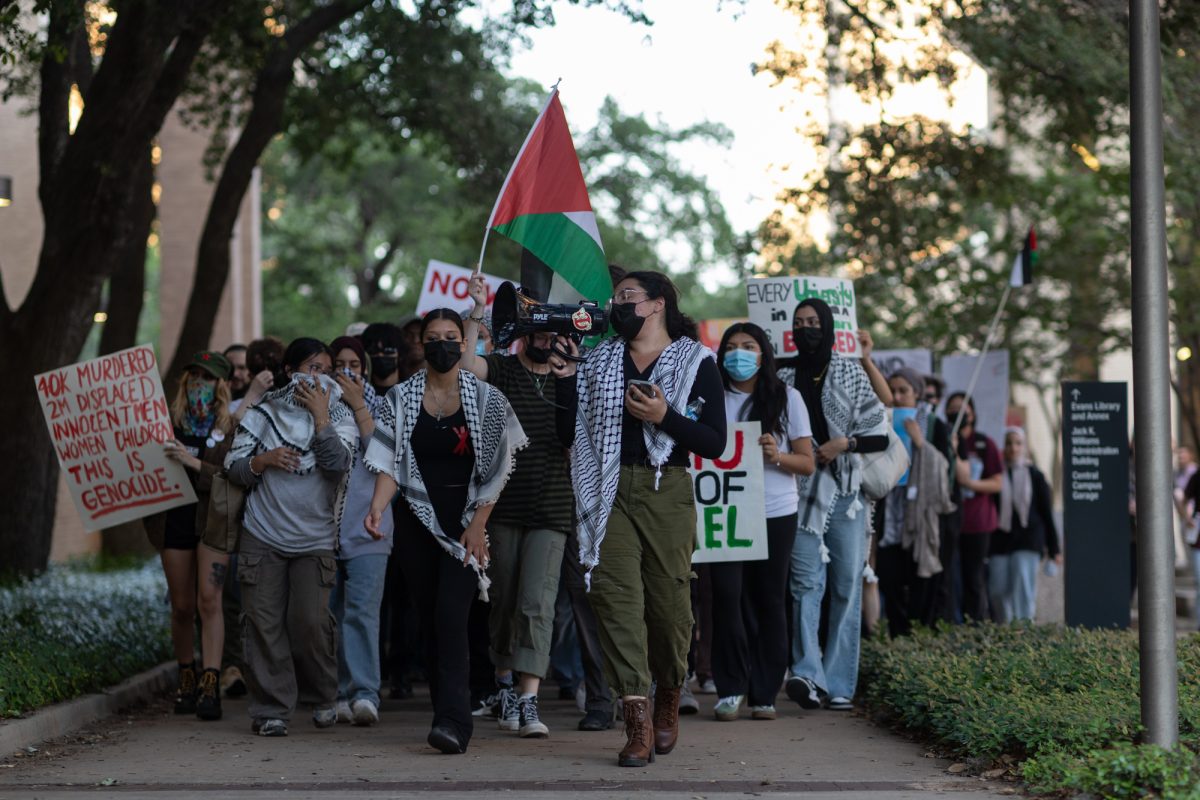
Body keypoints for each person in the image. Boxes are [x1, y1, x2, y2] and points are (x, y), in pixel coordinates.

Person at [552, 270, 727, 768]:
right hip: (603, 490)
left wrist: (664, 418)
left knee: (670, 608)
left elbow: (714, 442)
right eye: (617, 298)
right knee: (614, 599)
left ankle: (669, 692)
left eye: (628, 297)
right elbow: (569, 433)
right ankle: (637, 721)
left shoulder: (698, 362)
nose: (618, 304)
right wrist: (566, 382)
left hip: (665, 489)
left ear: (657, 305)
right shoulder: (598, 358)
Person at [364, 309, 527, 756]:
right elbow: (390, 462)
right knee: (431, 618)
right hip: (417, 521)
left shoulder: (487, 398)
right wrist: (377, 508)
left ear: (463, 342)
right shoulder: (400, 398)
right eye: (432, 337)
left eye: (451, 336)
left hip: (466, 522)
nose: (442, 344)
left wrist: (477, 526)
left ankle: (454, 723)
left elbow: (499, 469)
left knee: (451, 617)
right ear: (422, 343)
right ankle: (444, 713)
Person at [225, 338, 358, 737]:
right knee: (263, 624)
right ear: (290, 372)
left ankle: (323, 696)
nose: (319, 377)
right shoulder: (263, 414)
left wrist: (321, 418)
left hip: (315, 540)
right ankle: (272, 709)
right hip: (262, 535)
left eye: (326, 369)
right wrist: (262, 461)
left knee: (309, 622)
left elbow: (337, 465)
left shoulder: (341, 415)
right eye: (311, 368)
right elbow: (234, 468)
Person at [459, 275, 571, 738]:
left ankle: (528, 698)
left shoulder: (572, 378)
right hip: (501, 507)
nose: (546, 340)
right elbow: (467, 367)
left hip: (553, 509)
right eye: (538, 331)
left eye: (552, 333)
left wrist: (571, 382)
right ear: (525, 332)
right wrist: (475, 313)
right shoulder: (503, 370)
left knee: (536, 603)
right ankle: (504, 683)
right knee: (502, 602)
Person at [778, 298, 888, 713]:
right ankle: (808, 675)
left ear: (827, 325)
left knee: (845, 584)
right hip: (800, 493)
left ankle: (840, 682)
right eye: (799, 323)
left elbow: (880, 433)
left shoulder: (848, 370)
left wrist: (845, 442)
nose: (806, 329)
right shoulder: (783, 375)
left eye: (813, 322)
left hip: (847, 496)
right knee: (805, 585)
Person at [710, 322, 814, 722]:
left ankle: (764, 692)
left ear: (763, 354)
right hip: (726, 511)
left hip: (775, 511)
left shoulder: (788, 398)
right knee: (727, 597)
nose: (739, 353)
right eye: (732, 346)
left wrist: (777, 456)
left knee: (769, 599)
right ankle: (731, 688)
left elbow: (806, 463)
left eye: (748, 346)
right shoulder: (711, 398)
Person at [153, 351, 235, 719]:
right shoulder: (166, 423)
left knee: (209, 600)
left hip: (214, 521)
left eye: (208, 376)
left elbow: (232, 475)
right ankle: (187, 674)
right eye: (195, 375)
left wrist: (192, 463)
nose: (200, 382)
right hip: (174, 520)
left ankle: (210, 682)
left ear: (222, 384)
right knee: (182, 605)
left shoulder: (231, 426)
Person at [327, 336, 393, 727]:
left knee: (362, 614)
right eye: (339, 364)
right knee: (327, 617)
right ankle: (335, 692)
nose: (346, 371)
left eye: (354, 364)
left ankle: (365, 694)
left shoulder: (383, 406)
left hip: (371, 530)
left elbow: (384, 455)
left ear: (364, 370)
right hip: (322, 530)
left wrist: (359, 406)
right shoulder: (318, 407)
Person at [873, 369, 954, 636]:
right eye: (892, 390)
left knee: (922, 582)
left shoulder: (933, 425)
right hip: (890, 513)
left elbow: (946, 473)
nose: (896, 397)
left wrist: (920, 443)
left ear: (917, 393)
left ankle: (921, 640)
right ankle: (897, 638)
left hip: (920, 517)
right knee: (890, 579)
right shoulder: (879, 421)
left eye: (903, 391)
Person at [988, 427, 1060, 623]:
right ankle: (1005, 628)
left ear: (1025, 447)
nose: (1013, 448)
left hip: (1029, 539)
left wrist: (1054, 549)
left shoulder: (1035, 475)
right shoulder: (995, 474)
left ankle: (1023, 631)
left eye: (1018, 443)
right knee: (997, 588)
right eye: (1009, 443)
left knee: (1023, 587)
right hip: (1000, 539)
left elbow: (1046, 512)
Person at [944, 392, 1003, 622]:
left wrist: (970, 484)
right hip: (950, 521)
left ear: (973, 413)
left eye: (962, 409)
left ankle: (976, 624)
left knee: (974, 577)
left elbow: (997, 483)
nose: (957, 413)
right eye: (952, 408)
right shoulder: (945, 438)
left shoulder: (984, 443)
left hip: (977, 523)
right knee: (951, 577)